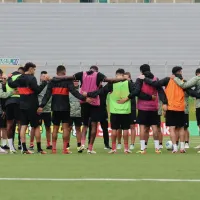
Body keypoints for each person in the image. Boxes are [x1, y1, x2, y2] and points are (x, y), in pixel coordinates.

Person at [56, 65, 127, 154]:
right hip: (94, 102)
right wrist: (123, 79)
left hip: (84, 102)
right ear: (96, 71)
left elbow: (69, 77)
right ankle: (90, 148)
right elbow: (110, 80)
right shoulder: (99, 75)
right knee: (93, 125)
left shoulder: (82, 74)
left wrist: (55, 77)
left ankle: (82, 144)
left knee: (85, 125)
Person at [86, 68, 154, 154]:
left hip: (114, 111)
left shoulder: (111, 84)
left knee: (114, 129)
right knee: (125, 129)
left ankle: (114, 148)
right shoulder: (128, 83)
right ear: (123, 75)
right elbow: (137, 92)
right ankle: (126, 148)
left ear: (117, 75)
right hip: (125, 110)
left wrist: (88, 94)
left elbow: (100, 91)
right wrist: (150, 97)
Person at [38, 65, 91, 154]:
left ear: (56, 73)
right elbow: (74, 92)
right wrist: (84, 99)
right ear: (65, 73)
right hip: (65, 108)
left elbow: (47, 96)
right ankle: (64, 149)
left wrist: (41, 106)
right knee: (66, 128)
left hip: (55, 108)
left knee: (55, 128)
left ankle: (54, 149)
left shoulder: (52, 82)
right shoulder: (67, 81)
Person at [139, 66, 187, 153]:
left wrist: (145, 79)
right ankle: (182, 148)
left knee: (172, 129)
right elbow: (190, 92)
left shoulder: (167, 79)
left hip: (170, 107)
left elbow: (156, 84)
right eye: (181, 71)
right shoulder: (183, 82)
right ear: (179, 72)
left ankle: (175, 148)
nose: (181, 73)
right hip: (180, 108)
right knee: (181, 129)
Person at [8, 62, 48, 154]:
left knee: (23, 126)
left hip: (22, 105)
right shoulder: (32, 78)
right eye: (34, 69)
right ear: (30, 69)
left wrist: (10, 77)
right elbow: (37, 90)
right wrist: (44, 82)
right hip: (32, 105)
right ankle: (39, 149)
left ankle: (24, 149)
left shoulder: (19, 78)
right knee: (36, 126)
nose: (34, 71)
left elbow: (11, 84)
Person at [29, 71, 52, 150]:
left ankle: (49, 143)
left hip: (47, 109)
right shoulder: (37, 86)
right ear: (40, 77)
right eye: (43, 76)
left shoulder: (50, 86)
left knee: (48, 127)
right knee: (34, 127)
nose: (44, 77)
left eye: (46, 76)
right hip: (38, 109)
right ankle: (31, 143)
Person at [5, 67, 24, 153]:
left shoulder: (9, 79)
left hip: (9, 102)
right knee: (21, 124)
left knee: (9, 125)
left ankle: (11, 148)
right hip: (18, 102)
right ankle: (22, 146)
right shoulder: (21, 77)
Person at [68, 80, 83, 153]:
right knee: (68, 129)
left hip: (78, 113)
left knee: (78, 129)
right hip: (69, 113)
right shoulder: (68, 91)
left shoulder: (81, 90)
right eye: (74, 81)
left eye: (77, 81)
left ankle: (79, 145)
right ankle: (67, 145)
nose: (76, 82)